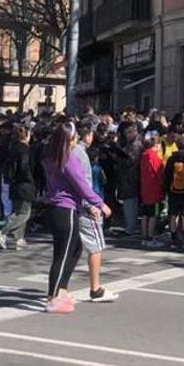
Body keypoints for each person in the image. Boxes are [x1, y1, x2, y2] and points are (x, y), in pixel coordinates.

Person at [43, 121, 108, 314]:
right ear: (69, 139)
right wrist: (100, 203)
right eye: (75, 138)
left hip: (57, 208)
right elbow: (82, 185)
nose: (76, 141)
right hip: (66, 208)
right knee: (62, 256)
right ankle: (52, 297)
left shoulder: (52, 156)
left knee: (75, 248)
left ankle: (61, 290)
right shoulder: (68, 158)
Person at [74, 124, 118, 303]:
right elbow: (82, 183)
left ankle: (60, 289)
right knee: (96, 246)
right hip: (84, 206)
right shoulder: (80, 154)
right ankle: (95, 288)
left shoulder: (67, 152)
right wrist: (92, 204)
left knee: (71, 250)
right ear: (88, 135)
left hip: (71, 206)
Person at [0, 125, 36, 250]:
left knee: (18, 211)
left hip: (13, 183)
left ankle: (19, 239)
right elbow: (24, 167)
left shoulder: (12, 148)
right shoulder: (25, 149)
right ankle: (3, 232)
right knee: (25, 213)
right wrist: (30, 180)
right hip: (24, 183)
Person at [163, 133, 184, 248]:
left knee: (173, 215)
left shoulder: (171, 159)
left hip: (173, 190)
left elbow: (167, 175)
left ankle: (174, 238)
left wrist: (166, 189)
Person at [139, 133, 166, 248]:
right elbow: (159, 175)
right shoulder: (155, 157)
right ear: (157, 145)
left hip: (145, 188)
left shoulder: (144, 155)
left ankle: (144, 237)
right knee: (153, 215)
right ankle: (150, 238)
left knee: (145, 214)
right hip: (154, 189)